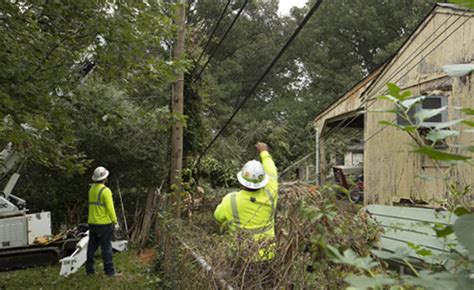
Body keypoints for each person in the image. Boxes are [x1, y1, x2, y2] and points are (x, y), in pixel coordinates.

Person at [214, 142, 278, 261]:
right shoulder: (271, 192)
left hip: (240, 257)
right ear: (263, 181)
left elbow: (217, 218)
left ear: (241, 181)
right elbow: (272, 172)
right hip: (268, 256)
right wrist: (264, 152)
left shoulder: (230, 200)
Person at [85, 166, 121, 277]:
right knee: (106, 248)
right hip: (104, 224)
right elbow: (110, 208)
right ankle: (110, 272)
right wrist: (115, 221)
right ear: (105, 178)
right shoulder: (106, 191)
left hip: (92, 223)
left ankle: (89, 271)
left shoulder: (91, 190)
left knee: (91, 248)